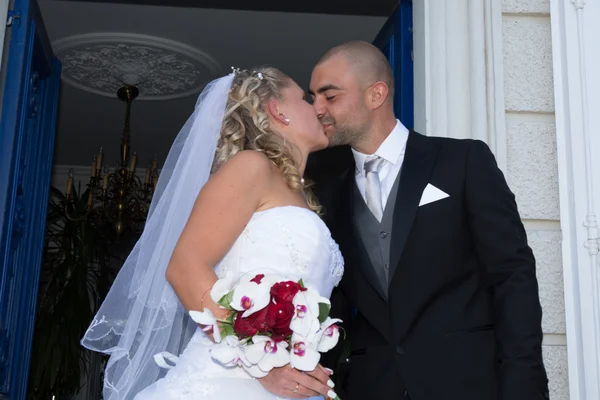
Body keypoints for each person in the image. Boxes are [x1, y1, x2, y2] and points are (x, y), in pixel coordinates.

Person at [306, 41, 549, 399]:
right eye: (313, 97)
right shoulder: (328, 195)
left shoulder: (462, 161)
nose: (317, 109)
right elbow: (333, 306)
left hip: (469, 383)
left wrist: (523, 384)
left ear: (376, 94)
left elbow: (512, 277)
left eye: (329, 96)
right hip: (374, 386)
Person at [81, 68, 342, 400]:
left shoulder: (304, 200)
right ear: (277, 110)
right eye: (305, 99)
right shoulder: (252, 166)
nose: (319, 108)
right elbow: (184, 269)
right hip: (228, 381)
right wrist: (260, 363)